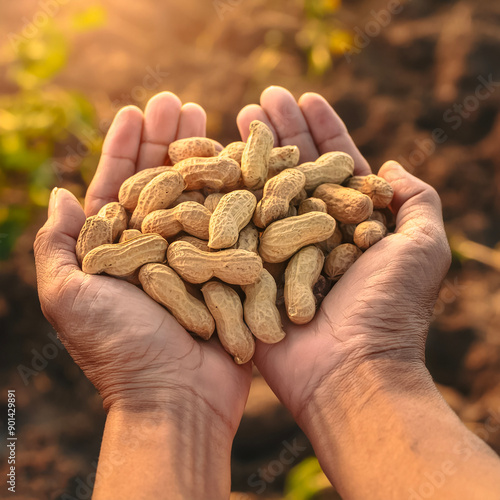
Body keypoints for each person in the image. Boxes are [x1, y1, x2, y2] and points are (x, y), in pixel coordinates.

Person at [34, 87, 500, 500]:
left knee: (267, 249)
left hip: (252, 252)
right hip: (215, 261)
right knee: (208, 255)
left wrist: (156, 398)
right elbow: (200, 248)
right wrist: (368, 369)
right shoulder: (182, 231)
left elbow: (273, 241)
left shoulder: (286, 217)